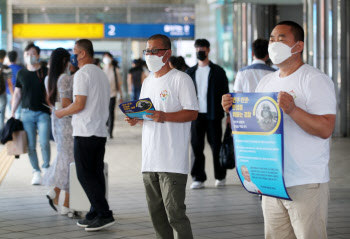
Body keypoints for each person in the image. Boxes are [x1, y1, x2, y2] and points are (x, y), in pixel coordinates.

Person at [222, 21, 336, 239]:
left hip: (305, 181)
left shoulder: (314, 80)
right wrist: (233, 109)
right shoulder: (266, 82)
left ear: (298, 46)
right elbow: (257, 128)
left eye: (281, 39)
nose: (274, 44)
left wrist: (293, 109)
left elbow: (325, 128)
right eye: (272, 39)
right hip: (272, 181)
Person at [125, 34, 198, 239]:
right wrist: (136, 119)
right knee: (156, 215)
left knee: (175, 214)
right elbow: (145, 113)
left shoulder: (181, 79)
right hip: (150, 159)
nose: (149, 55)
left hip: (172, 160)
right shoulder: (148, 81)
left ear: (167, 53)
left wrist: (164, 116)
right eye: (147, 50)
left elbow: (192, 113)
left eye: (154, 50)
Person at [55, 39, 114, 231]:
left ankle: (104, 214)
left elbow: (79, 104)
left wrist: (61, 112)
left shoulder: (81, 74)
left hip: (85, 131)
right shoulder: (101, 73)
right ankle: (94, 212)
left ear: (82, 54)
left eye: (74, 51)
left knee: (84, 175)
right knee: (95, 174)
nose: (72, 55)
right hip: (99, 131)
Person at [186, 38, 229, 189]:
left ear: (208, 50)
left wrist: (228, 114)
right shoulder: (190, 72)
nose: (200, 51)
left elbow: (226, 94)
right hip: (195, 115)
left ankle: (220, 176)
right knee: (196, 146)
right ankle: (198, 177)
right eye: (197, 49)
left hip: (214, 115)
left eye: (202, 49)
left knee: (216, 146)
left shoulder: (218, 71)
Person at [11, 43, 51, 185]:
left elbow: (51, 92)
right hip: (26, 114)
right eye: (27, 54)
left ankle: (46, 168)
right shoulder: (21, 73)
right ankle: (36, 171)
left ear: (38, 55)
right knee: (31, 145)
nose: (29, 56)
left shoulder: (46, 71)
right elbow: (17, 94)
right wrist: (12, 112)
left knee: (44, 142)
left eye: (32, 53)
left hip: (43, 113)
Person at [42, 48, 74, 215]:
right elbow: (67, 102)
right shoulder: (64, 78)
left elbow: (50, 100)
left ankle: (56, 193)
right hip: (68, 122)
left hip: (56, 119)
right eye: (69, 59)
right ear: (64, 61)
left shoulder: (49, 77)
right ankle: (65, 203)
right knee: (70, 162)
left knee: (64, 158)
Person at [102, 52, 123, 138]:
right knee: (104, 113)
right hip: (103, 95)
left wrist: (120, 95)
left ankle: (110, 132)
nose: (106, 59)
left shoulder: (115, 70)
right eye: (105, 57)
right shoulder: (101, 70)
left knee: (111, 113)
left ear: (111, 58)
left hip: (112, 94)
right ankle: (105, 128)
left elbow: (118, 84)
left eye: (108, 57)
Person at [7, 51, 23, 119]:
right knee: (18, 112)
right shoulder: (21, 68)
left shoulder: (6, 68)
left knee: (11, 112)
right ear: (16, 57)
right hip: (19, 93)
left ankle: (12, 127)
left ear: (8, 58)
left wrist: (12, 95)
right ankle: (17, 128)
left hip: (9, 93)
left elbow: (8, 82)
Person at [0, 50, 13, 131]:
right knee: (1, 116)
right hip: (2, 94)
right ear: (4, 57)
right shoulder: (7, 68)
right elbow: (9, 83)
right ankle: (1, 135)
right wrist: (12, 95)